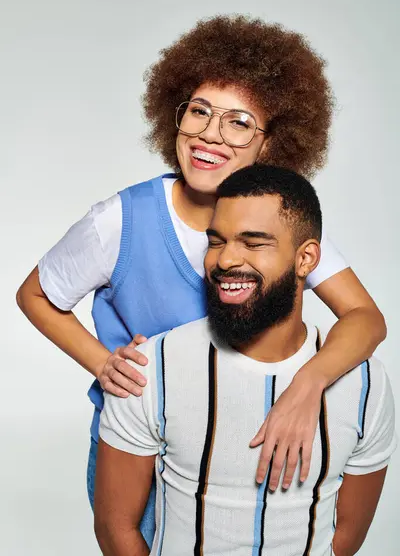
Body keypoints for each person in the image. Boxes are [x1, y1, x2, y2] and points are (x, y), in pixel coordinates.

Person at [16, 16, 386, 547]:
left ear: (272, 144)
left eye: (239, 122)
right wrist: (103, 362)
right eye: (199, 111)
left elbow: (366, 318)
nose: (211, 133)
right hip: (140, 445)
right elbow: (36, 294)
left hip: (246, 447)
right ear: (176, 117)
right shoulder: (122, 219)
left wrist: (309, 384)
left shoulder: (279, 227)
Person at [95, 165, 396, 556]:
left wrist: (308, 382)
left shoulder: (365, 385)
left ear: (306, 259)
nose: (225, 260)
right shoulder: (151, 368)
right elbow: (115, 526)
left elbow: (346, 538)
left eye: (253, 243)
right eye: (217, 242)